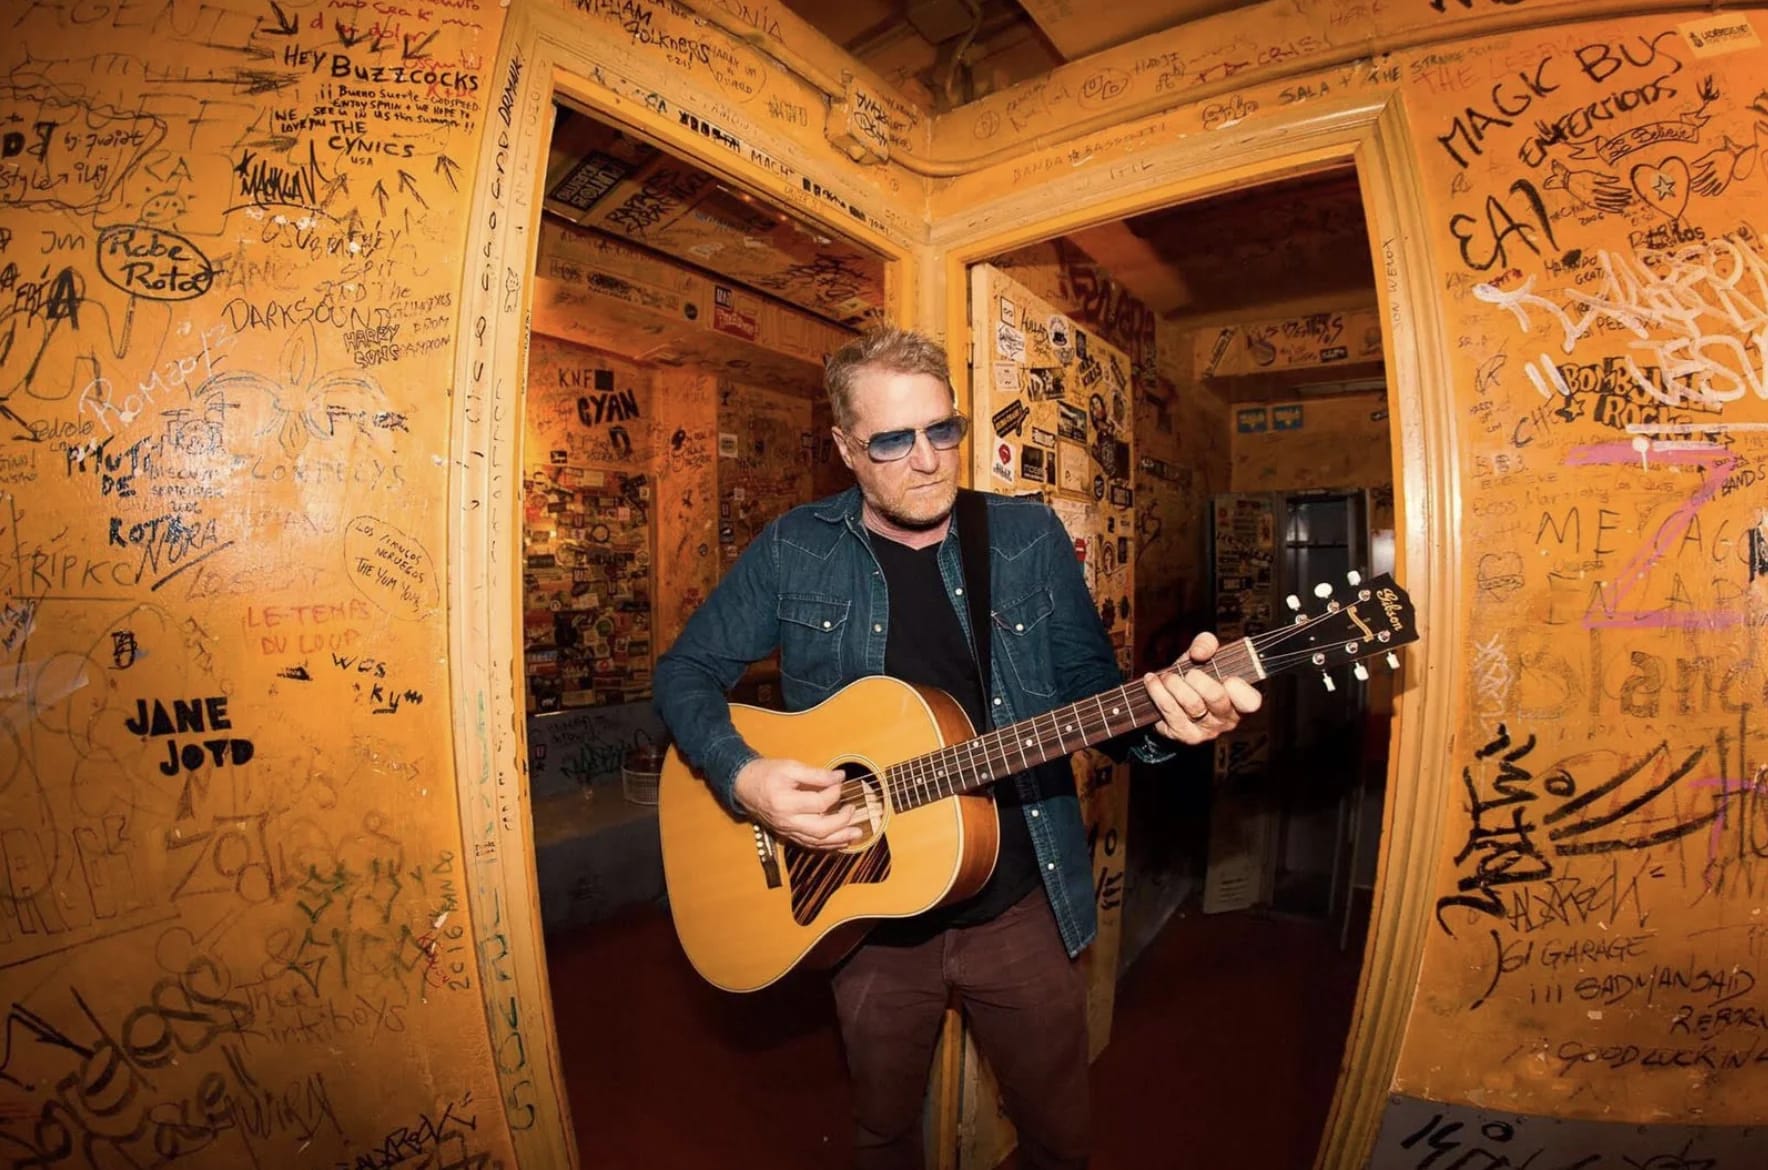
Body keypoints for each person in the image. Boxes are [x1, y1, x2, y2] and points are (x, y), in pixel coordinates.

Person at [653, 327, 1261, 1170]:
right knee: (883, 1133)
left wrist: (1169, 723)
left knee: (1059, 1137)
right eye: (892, 441)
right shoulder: (795, 547)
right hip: (861, 919)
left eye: (943, 429)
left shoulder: (1026, 538)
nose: (929, 459)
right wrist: (743, 776)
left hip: (1017, 908)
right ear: (845, 449)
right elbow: (684, 672)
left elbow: (1095, 695)